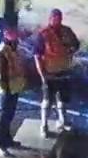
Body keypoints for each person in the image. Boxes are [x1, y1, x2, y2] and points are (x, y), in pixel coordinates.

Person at [34, 9, 81, 137]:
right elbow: (37, 56)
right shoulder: (43, 34)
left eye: (59, 18)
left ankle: (62, 121)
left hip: (64, 71)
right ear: (50, 19)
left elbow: (76, 45)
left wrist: (70, 49)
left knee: (62, 100)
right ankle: (44, 125)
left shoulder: (67, 31)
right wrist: (42, 74)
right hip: (50, 73)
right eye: (55, 18)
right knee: (47, 101)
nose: (57, 21)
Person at [0, 27, 31, 153]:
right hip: (7, 89)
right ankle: (1, 144)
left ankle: (8, 139)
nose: (16, 37)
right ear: (6, 35)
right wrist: (5, 88)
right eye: (13, 34)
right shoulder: (3, 51)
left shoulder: (13, 48)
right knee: (4, 116)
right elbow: (0, 73)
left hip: (14, 87)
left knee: (9, 115)